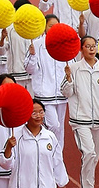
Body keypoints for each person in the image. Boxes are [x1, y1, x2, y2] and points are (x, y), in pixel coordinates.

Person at [61, 36, 99, 188]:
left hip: (98, 119)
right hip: (80, 119)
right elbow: (66, 92)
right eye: (87, 46)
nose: (91, 49)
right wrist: (68, 79)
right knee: (89, 152)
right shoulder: (74, 68)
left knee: (95, 155)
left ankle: (87, 182)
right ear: (81, 49)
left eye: (93, 46)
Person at [25, 15, 68, 153]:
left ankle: (57, 157)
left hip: (61, 94)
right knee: (53, 125)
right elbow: (29, 69)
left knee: (60, 127)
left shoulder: (64, 45)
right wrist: (31, 55)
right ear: (44, 28)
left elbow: (70, 65)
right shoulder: (37, 45)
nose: (54, 28)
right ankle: (48, 150)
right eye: (51, 26)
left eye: (56, 25)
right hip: (45, 94)